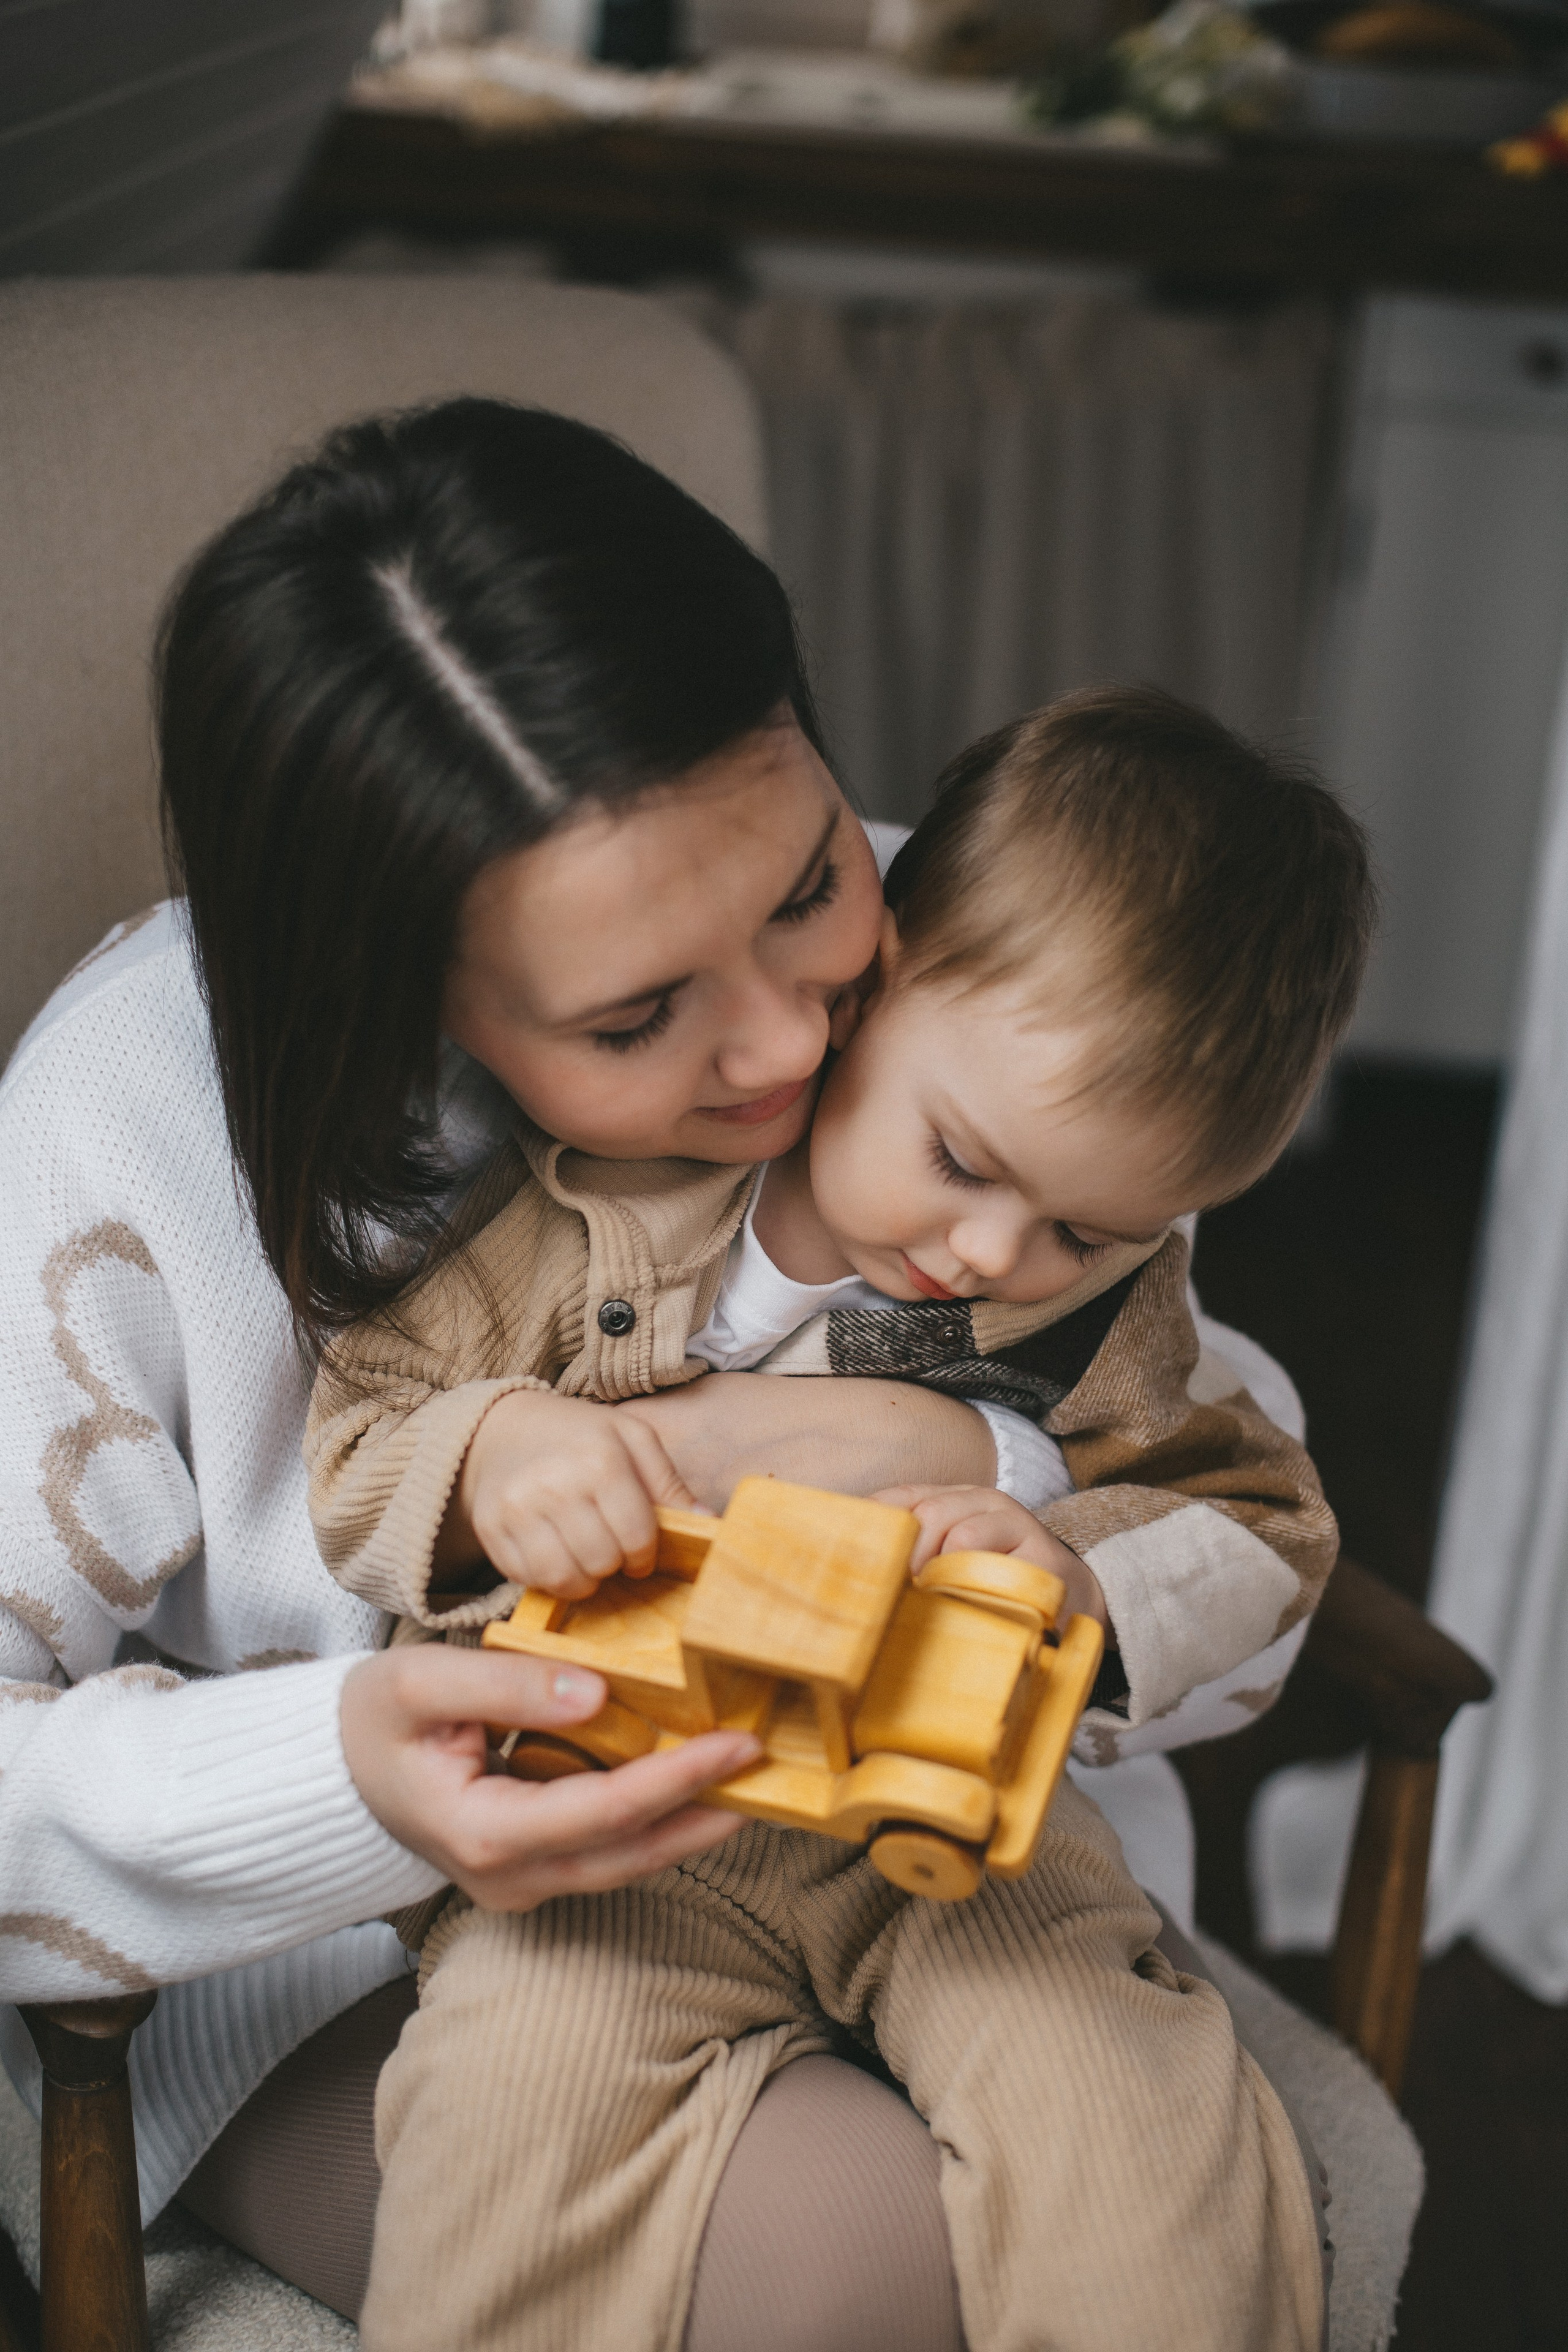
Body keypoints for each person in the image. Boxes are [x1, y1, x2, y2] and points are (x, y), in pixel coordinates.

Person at [0, 397, 1055, 2343]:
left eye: (811, 884)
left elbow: (1218, 1484)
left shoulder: (968, 964)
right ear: (398, 985)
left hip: (863, 1877)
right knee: (908, 2261)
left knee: (1144, 2210)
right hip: (317, 1967)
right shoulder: (121, 1129)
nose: (786, 1046)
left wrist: (1006, 1498)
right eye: (639, 1016)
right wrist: (343, 1777)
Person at [306, 685, 1374, 2351]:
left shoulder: (1108, 1328)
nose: (993, 1256)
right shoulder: (606, 1195)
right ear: (873, 981)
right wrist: (497, 1446)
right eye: (960, 1159)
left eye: (1085, 1229)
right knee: (504, 2112)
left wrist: (1081, 1582)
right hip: (617, 1812)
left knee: (1131, 2116)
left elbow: (1264, 1518)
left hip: (951, 1842)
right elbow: (363, 1433)